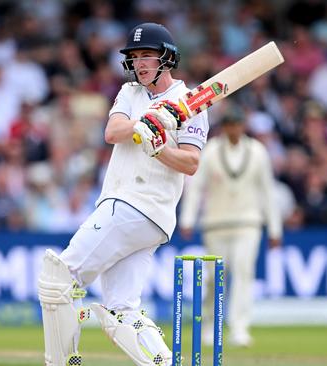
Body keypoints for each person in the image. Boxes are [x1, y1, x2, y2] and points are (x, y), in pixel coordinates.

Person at [38, 23, 209, 366]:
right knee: (122, 309)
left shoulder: (191, 104)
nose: (141, 63)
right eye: (135, 57)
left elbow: (190, 163)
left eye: (148, 55)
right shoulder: (130, 92)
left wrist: (158, 146)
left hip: (135, 204)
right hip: (143, 216)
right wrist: (146, 123)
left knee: (59, 277)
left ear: (167, 57)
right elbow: (112, 131)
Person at [179, 111, 282, 347]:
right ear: (224, 127)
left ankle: (239, 327)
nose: (233, 130)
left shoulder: (257, 151)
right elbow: (196, 188)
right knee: (215, 277)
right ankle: (209, 325)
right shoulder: (212, 150)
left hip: (248, 222)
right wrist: (188, 219)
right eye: (229, 125)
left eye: (236, 125)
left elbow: (267, 190)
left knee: (243, 272)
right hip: (216, 223)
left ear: (242, 126)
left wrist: (275, 229)